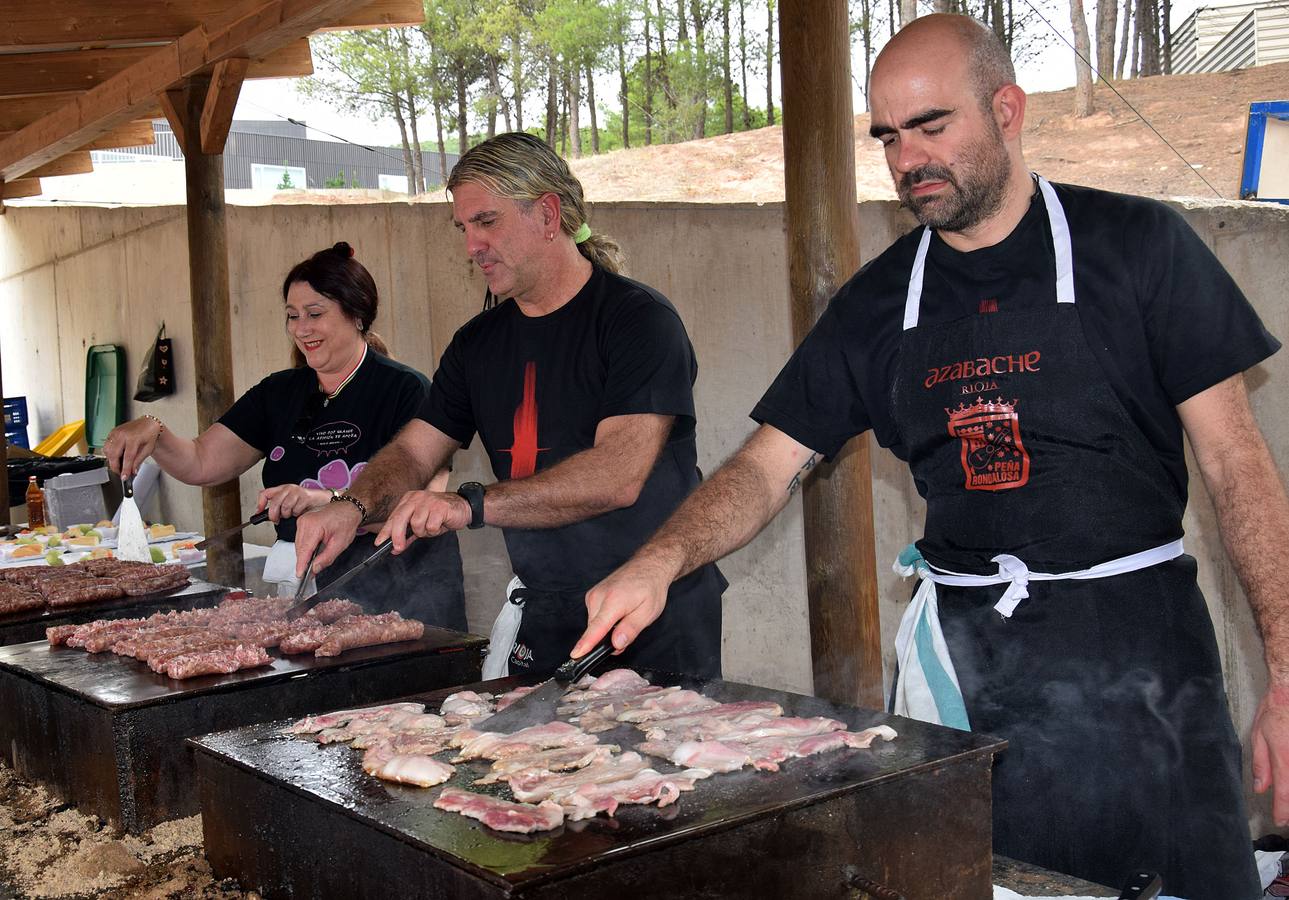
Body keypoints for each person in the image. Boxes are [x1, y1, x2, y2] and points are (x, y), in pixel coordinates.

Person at [571, 15, 1288, 899]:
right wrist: (657, 560)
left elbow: (1235, 464)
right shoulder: (878, 305)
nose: (907, 158)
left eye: (932, 125)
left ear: (1007, 110)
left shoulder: (1140, 248)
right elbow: (764, 465)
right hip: (973, 673)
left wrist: (1286, 675)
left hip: (1146, 662)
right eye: (886, 135)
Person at [293, 132, 726, 680]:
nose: (471, 245)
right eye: (464, 227)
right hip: (545, 609)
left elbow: (619, 474)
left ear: (547, 214)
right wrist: (350, 506)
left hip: (652, 611)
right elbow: (415, 449)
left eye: (487, 222)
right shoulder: (477, 344)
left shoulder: (637, 321)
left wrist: (469, 505)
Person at [104, 242, 467, 631]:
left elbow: (423, 507)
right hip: (314, 595)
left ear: (357, 315)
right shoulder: (278, 393)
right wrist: (155, 431)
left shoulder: (406, 389)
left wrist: (321, 500)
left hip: (407, 593)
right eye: (293, 316)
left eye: (315, 314)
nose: (301, 328)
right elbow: (201, 462)